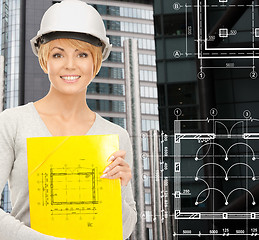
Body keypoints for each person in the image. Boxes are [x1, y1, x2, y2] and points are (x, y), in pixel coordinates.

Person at [0, 0, 137, 239]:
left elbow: (123, 231)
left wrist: (119, 189)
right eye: (58, 54)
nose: (70, 65)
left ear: (96, 62)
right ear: (44, 61)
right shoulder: (12, 123)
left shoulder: (116, 135)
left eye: (82, 54)